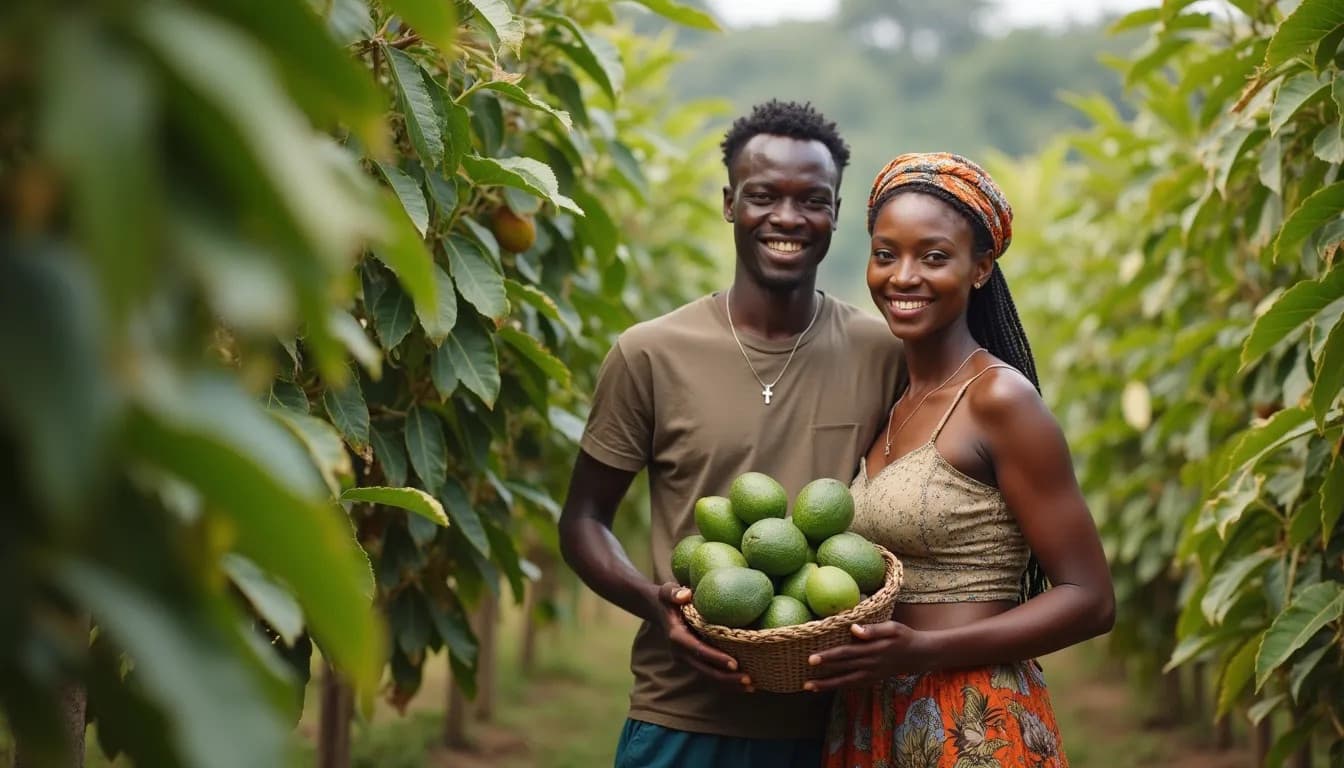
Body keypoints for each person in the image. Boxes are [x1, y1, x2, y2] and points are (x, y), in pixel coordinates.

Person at [558, 100, 904, 767]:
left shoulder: (881, 354)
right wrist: (654, 605)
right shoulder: (650, 353)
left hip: (835, 720)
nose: (787, 218)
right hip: (681, 714)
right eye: (763, 196)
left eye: (813, 200)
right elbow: (583, 520)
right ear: (728, 203)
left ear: (836, 213)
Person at [804, 152, 1115, 768]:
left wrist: (922, 651)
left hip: (973, 717)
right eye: (886, 253)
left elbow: (1090, 598)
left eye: (934, 256)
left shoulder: (999, 399)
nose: (903, 276)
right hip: (876, 711)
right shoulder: (894, 400)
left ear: (980, 268)